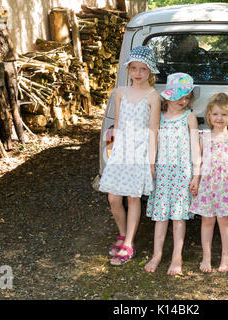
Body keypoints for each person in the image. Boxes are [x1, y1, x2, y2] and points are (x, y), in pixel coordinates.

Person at [99, 46, 161, 265]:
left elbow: (153, 130)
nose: (137, 73)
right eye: (133, 68)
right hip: (121, 150)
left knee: (133, 197)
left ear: (150, 71)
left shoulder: (153, 96)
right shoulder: (119, 93)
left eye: (142, 69)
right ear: (128, 69)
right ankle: (123, 233)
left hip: (140, 151)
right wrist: (111, 151)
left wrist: (152, 161)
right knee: (113, 197)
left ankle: (129, 243)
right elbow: (116, 125)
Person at [144, 73, 201, 275]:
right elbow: (153, 140)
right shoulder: (159, 117)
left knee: (178, 217)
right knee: (161, 217)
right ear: (168, 96)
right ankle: (157, 254)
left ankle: (177, 256)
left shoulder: (189, 117)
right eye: (180, 97)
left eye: (187, 97)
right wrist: (150, 163)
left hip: (182, 173)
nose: (184, 101)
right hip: (162, 172)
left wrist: (196, 174)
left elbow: (195, 147)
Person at [190, 93, 228, 273]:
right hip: (207, 186)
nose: (219, 118)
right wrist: (195, 179)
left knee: (224, 222)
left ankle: (226, 256)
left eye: (224, 114)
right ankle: (206, 257)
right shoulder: (203, 136)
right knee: (207, 221)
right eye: (215, 114)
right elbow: (198, 161)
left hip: (226, 187)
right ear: (209, 116)